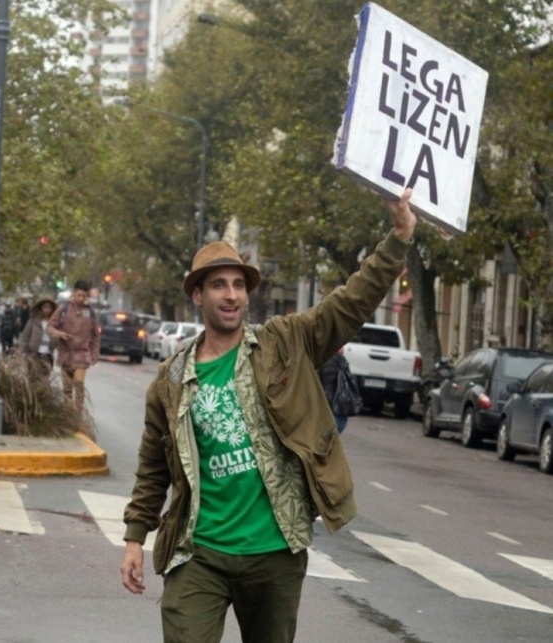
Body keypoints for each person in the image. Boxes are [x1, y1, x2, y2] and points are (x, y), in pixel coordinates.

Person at [119, 189, 417, 643]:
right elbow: (153, 468)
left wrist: (398, 237)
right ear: (197, 294)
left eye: (239, 285)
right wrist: (134, 537)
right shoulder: (171, 379)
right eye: (219, 285)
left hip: (274, 552)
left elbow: (351, 303)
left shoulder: (285, 342)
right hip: (199, 552)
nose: (232, 295)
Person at [47, 280, 99, 411]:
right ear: (74, 293)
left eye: (84, 296)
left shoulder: (91, 312)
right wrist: (58, 333)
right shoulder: (63, 309)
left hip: (82, 353)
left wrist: (95, 353)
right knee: (67, 389)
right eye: (79, 295)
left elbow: (96, 335)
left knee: (79, 383)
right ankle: (69, 414)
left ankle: (78, 413)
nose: (81, 298)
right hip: (66, 353)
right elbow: (50, 326)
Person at [319, 351, 359, 434]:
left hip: (337, 404)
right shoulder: (332, 361)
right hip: (335, 405)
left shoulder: (339, 359)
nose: (343, 348)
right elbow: (328, 384)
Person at [18, 296, 58, 376]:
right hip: (34, 354)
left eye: (49, 307)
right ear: (40, 308)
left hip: (47, 355)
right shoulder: (33, 321)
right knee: (32, 377)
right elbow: (25, 337)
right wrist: (23, 351)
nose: (47, 309)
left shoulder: (55, 323)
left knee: (44, 379)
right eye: (45, 307)